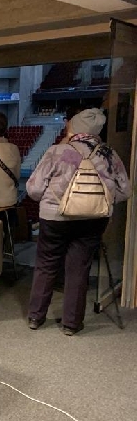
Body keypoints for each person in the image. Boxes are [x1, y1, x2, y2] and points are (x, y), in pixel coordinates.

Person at [26, 108, 130, 336]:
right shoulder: (109, 154)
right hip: (93, 220)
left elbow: (33, 190)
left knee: (46, 264)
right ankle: (71, 324)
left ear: (74, 127)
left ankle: (36, 316)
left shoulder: (57, 151)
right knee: (79, 269)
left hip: (54, 218)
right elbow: (125, 191)